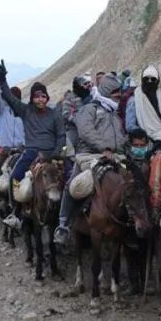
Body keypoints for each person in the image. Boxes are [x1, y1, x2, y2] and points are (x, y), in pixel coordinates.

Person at [54, 73, 127, 244]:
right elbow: (86, 131)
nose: (119, 94)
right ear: (107, 91)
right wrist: (105, 147)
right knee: (72, 185)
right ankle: (63, 225)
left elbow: (120, 135)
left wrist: (125, 145)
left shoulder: (114, 112)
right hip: (89, 155)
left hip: (115, 155)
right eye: (116, 91)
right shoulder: (91, 108)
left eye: (120, 91)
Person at [0, 60, 65, 228]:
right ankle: (16, 212)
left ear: (47, 97)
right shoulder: (25, 111)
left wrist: (54, 153)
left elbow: (61, 135)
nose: (40, 99)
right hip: (31, 152)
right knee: (14, 177)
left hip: (53, 155)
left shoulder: (55, 114)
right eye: (37, 96)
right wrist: (2, 80)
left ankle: (66, 220)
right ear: (32, 98)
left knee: (68, 180)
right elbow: (10, 98)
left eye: (43, 96)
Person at [126, 66, 161, 145]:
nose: (149, 81)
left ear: (157, 81)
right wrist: (144, 136)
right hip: (143, 142)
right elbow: (130, 126)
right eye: (146, 79)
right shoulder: (135, 99)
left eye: (153, 79)